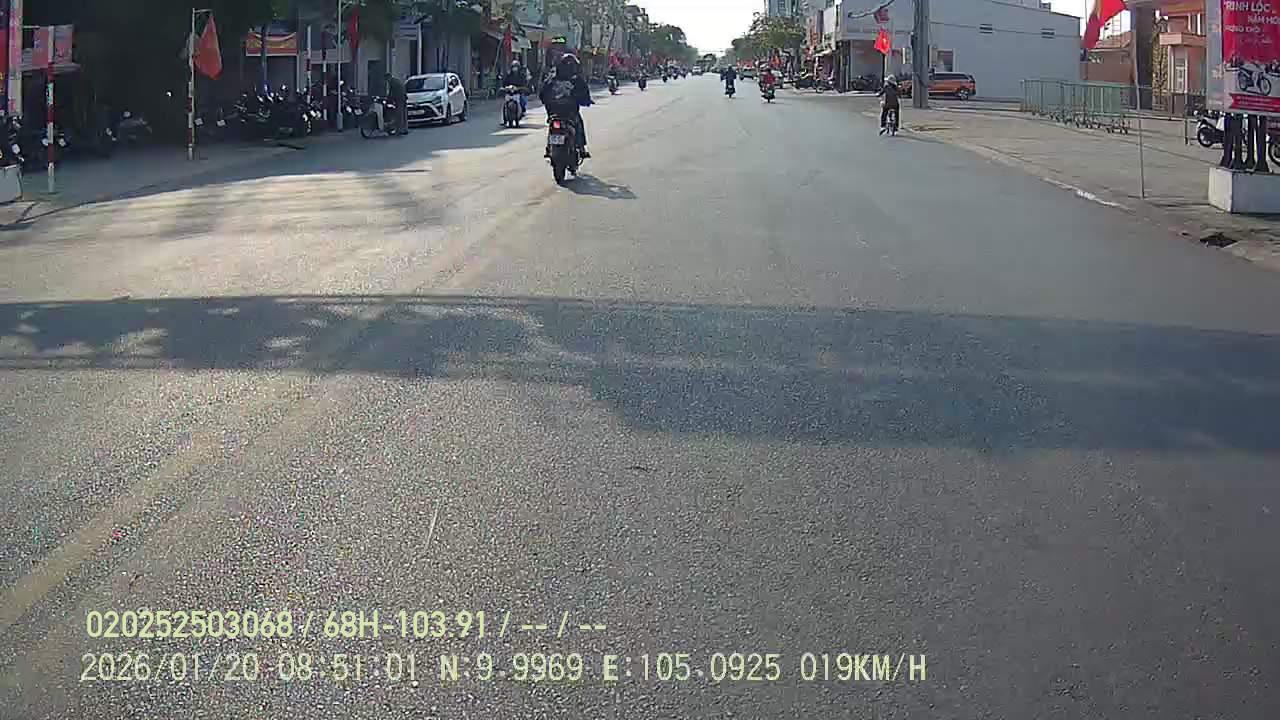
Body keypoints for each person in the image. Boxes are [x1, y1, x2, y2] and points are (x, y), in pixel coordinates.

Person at [539, 53, 593, 158]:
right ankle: (581, 148)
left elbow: (542, 94)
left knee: (554, 125)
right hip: (567, 112)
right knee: (578, 124)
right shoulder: (574, 80)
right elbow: (543, 93)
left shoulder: (553, 79)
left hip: (555, 112)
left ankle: (549, 148)